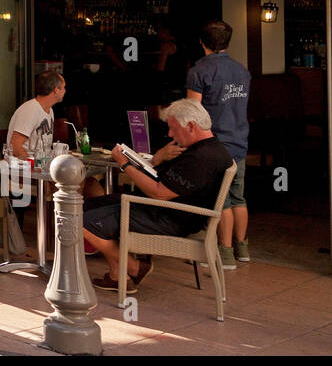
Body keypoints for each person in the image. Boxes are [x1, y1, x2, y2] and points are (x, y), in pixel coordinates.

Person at [83, 98, 234, 292]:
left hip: (171, 219)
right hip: (172, 212)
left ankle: (135, 268)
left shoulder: (200, 158)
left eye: (173, 129)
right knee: (90, 206)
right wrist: (159, 157)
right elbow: (164, 180)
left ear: (190, 126)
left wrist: (125, 164)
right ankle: (116, 276)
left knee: (84, 220)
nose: (170, 134)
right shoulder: (209, 148)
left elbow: (158, 193)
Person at [186, 20, 252, 269]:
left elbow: (192, 113)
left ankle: (224, 254)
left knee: (220, 200)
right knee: (238, 197)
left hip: (215, 146)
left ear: (202, 42)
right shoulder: (241, 70)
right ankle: (241, 248)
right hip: (239, 140)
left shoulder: (199, 71)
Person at [7, 71, 66, 158]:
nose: (65, 91)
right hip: (23, 167)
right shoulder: (30, 110)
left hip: (42, 164)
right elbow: (15, 147)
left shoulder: (50, 110)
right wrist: (32, 166)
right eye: (64, 87)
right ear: (56, 90)